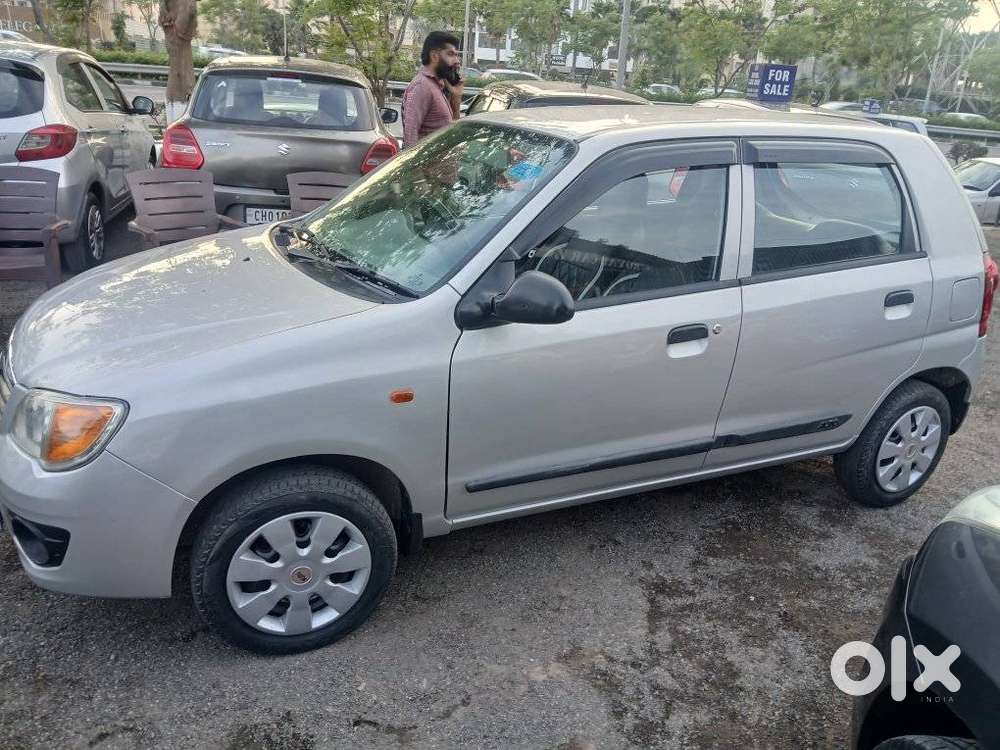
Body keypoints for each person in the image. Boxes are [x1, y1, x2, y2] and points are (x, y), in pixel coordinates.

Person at [401, 31, 463, 148]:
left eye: (456, 55)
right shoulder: (421, 86)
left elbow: (451, 132)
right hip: (426, 166)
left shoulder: (437, 86)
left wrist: (456, 101)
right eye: (451, 54)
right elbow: (410, 138)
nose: (457, 61)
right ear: (434, 56)